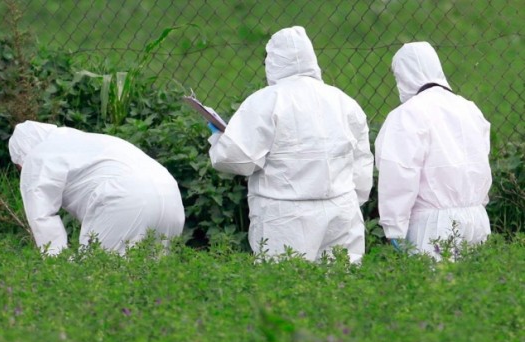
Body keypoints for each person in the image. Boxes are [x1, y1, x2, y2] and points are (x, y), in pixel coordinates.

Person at [207, 26, 373, 263]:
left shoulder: (266, 100)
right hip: (342, 211)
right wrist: (352, 200)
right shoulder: (344, 101)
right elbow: (362, 163)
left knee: (284, 281)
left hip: (285, 217)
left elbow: (238, 159)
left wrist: (219, 138)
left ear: (272, 62)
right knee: (342, 278)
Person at [375, 41, 492, 258]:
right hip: (476, 219)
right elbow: (481, 162)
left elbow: (398, 172)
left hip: (433, 225)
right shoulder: (469, 109)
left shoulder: (407, 114)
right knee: (479, 279)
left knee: (435, 280)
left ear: (403, 76)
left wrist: (394, 227)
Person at [9, 120, 185, 256]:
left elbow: (41, 217)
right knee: (152, 278)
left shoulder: (36, 156)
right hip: (170, 195)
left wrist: (59, 266)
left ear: (22, 158)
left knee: (98, 279)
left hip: (124, 198)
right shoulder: (86, 140)